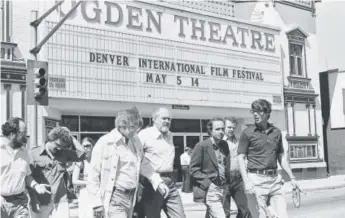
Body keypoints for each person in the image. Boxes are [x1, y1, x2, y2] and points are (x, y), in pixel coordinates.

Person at [87, 107, 169, 218]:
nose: (134, 131)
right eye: (131, 127)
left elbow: (144, 164)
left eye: (136, 127)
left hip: (131, 197)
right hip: (115, 197)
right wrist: (96, 203)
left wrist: (157, 181)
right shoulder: (105, 142)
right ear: (121, 125)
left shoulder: (135, 141)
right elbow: (93, 174)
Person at [238, 99, 299, 218]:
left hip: (274, 180)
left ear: (267, 113)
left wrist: (292, 177)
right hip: (256, 181)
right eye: (253, 111)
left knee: (282, 215)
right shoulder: (247, 132)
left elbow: (281, 156)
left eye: (259, 111)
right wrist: (246, 181)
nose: (255, 114)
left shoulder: (276, 132)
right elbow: (241, 158)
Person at [29, 126, 87, 218]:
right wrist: (33, 199)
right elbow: (28, 177)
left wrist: (70, 137)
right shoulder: (34, 153)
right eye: (58, 145)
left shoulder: (64, 153)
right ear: (51, 139)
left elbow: (83, 154)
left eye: (63, 146)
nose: (60, 148)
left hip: (61, 200)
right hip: (41, 201)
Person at [138, 107, 186, 218]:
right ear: (154, 119)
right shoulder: (144, 135)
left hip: (170, 181)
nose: (167, 121)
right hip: (152, 184)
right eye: (164, 118)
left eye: (169, 119)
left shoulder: (170, 135)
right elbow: (138, 159)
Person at [1, 117, 51, 218]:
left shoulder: (24, 152)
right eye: (23, 133)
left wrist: (36, 186)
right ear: (12, 134)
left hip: (20, 203)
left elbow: (27, 176)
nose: (26, 136)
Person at [190, 117, 231, 218]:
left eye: (222, 129)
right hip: (211, 189)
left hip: (223, 188)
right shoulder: (202, 146)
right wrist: (208, 183)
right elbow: (193, 170)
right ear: (210, 130)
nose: (221, 132)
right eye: (217, 129)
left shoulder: (224, 145)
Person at [223, 117, 251, 218]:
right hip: (224, 180)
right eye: (229, 127)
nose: (231, 129)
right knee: (225, 213)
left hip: (237, 179)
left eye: (233, 127)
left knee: (245, 210)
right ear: (224, 127)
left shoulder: (238, 141)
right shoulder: (218, 142)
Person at [72, 137, 96, 218]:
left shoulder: (98, 161)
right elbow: (74, 180)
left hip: (96, 193)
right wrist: (89, 182)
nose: (85, 148)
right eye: (83, 146)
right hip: (84, 193)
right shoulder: (79, 161)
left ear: (93, 147)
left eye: (88, 146)